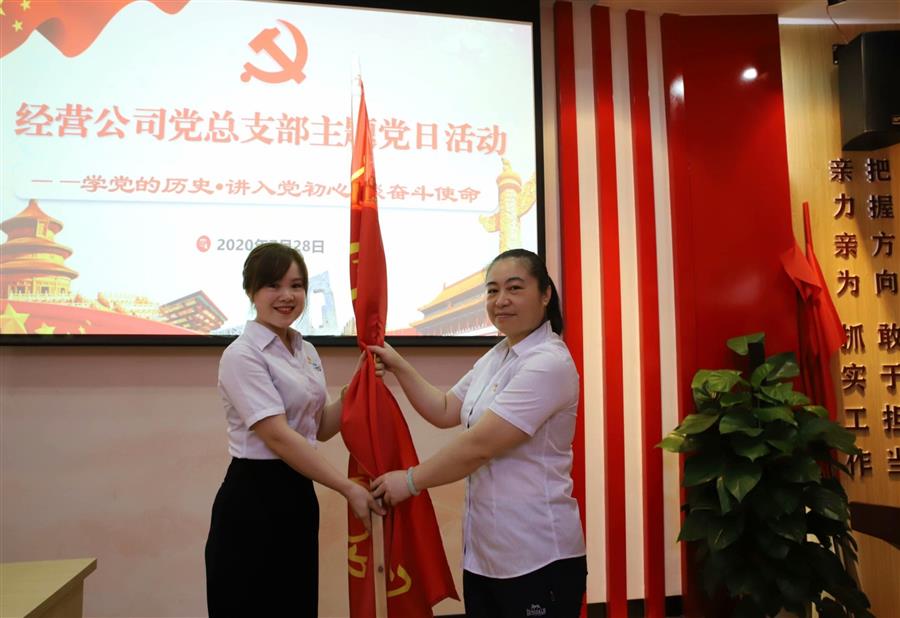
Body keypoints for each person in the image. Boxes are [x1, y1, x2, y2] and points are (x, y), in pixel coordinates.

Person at [370, 248, 586, 618]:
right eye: (492, 290)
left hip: (536, 554)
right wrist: (397, 364)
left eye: (514, 288)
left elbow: (479, 447)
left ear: (545, 294)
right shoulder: (498, 355)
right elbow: (445, 410)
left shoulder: (548, 363)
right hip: (485, 555)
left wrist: (409, 481)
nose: (501, 300)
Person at [205, 242, 383, 617]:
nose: (287, 295)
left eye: (297, 285)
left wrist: (358, 386)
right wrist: (348, 487)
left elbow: (319, 428)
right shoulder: (242, 355)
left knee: (296, 604)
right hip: (252, 499)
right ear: (251, 291)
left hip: (298, 495)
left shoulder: (306, 351)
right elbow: (279, 438)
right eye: (273, 284)